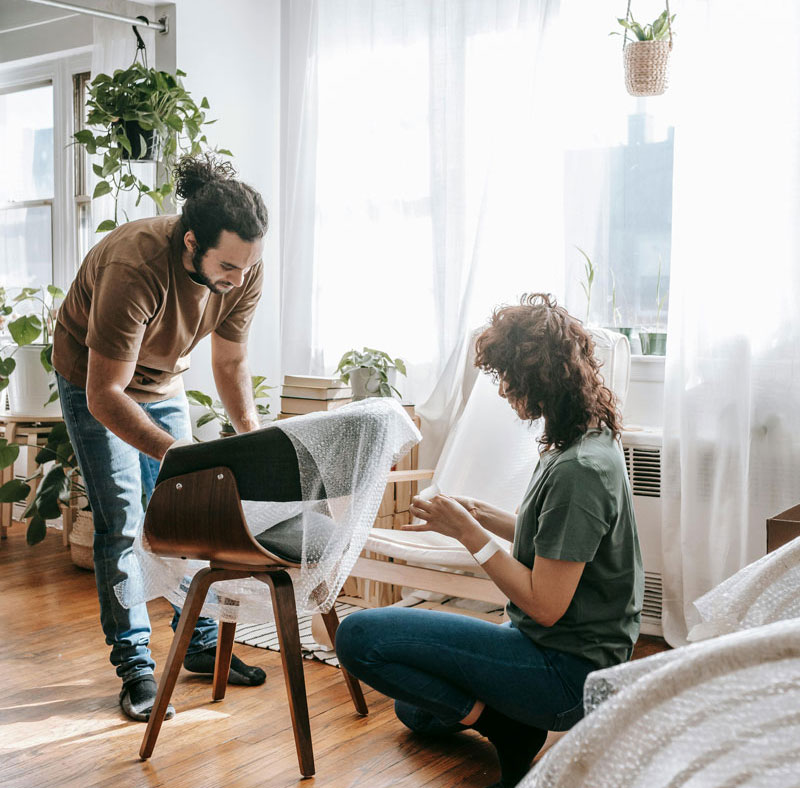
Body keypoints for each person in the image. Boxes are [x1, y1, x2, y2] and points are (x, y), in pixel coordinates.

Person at [335, 293, 643, 788]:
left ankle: (511, 729)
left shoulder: (579, 471)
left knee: (358, 637)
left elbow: (545, 604)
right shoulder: (583, 438)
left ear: (536, 380)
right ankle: (508, 716)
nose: (502, 390)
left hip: (566, 674)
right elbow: (560, 544)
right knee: (414, 710)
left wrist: (469, 534)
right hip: (556, 652)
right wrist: (485, 516)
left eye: (506, 377)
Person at [52, 153, 270, 722]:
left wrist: (251, 438)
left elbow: (231, 360)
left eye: (247, 266)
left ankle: (196, 644)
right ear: (191, 242)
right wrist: (175, 453)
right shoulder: (136, 264)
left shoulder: (241, 263)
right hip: (93, 375)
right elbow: (106, 393)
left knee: (189, 511)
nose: (238, 280)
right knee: (124, 517)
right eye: (227, 265)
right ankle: (136, 669)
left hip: (163, 376)